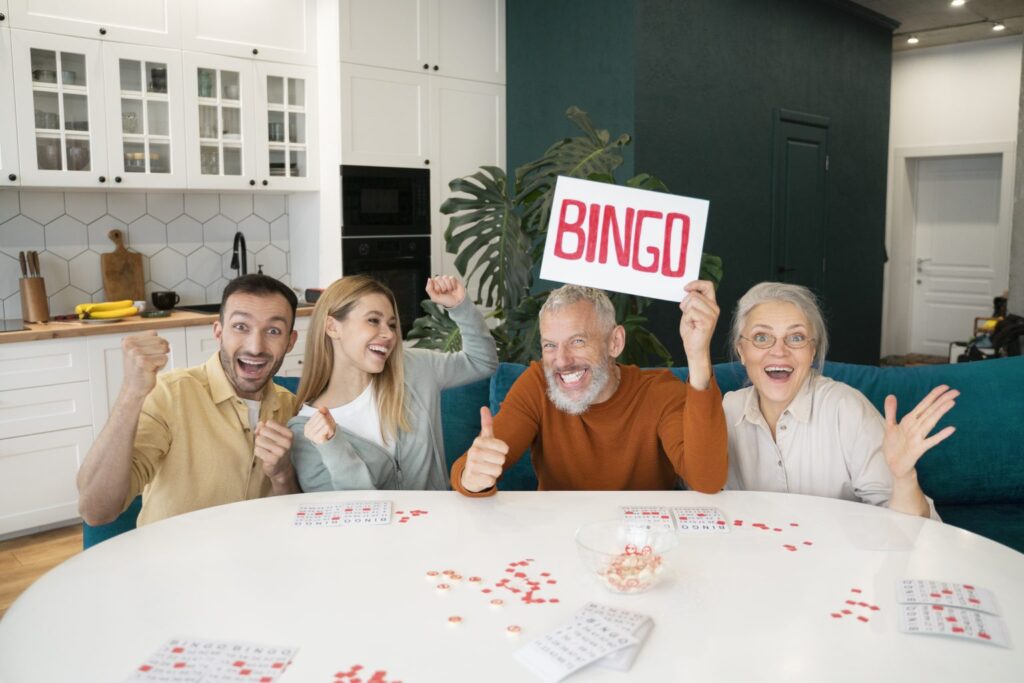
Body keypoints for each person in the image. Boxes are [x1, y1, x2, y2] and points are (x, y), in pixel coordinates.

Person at [452, 281, 728, 495]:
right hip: (559, 538)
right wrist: (472, 476)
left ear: (615, 342)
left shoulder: (660, 391)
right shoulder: (538, 384)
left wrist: (697, 354)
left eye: (578, 342)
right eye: (550, 345)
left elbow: (707, 480)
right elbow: (464, 472)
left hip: (642, 547)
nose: (561, 360)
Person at [77, 274, 301, 526]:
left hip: (256, 558)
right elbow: (96, 511)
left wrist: (283, 475)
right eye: (240, 327)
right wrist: (131, 392)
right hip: (172, 561)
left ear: (290, 342)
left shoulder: (293, 409)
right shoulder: (169, 395)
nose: (255, 346)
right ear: (218, 332)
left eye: (273, 331)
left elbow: (297, 516)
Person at [723, 282, 955, 518]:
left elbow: (915, 531)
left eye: (796, 337)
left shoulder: (847, 409)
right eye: (762, 337)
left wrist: (904, 476)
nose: (779, 351)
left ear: (812, 351)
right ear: (741, 350)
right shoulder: (727, 410)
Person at [288, 274, 498, 491]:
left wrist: (460, 307)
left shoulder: (414, 369)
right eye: (373, 320)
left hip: (438, 521)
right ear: (332, 327)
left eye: (392, 324)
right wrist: (333, 447)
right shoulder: (307, 431)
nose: (388, 334)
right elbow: (350, 517)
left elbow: (482, 362)